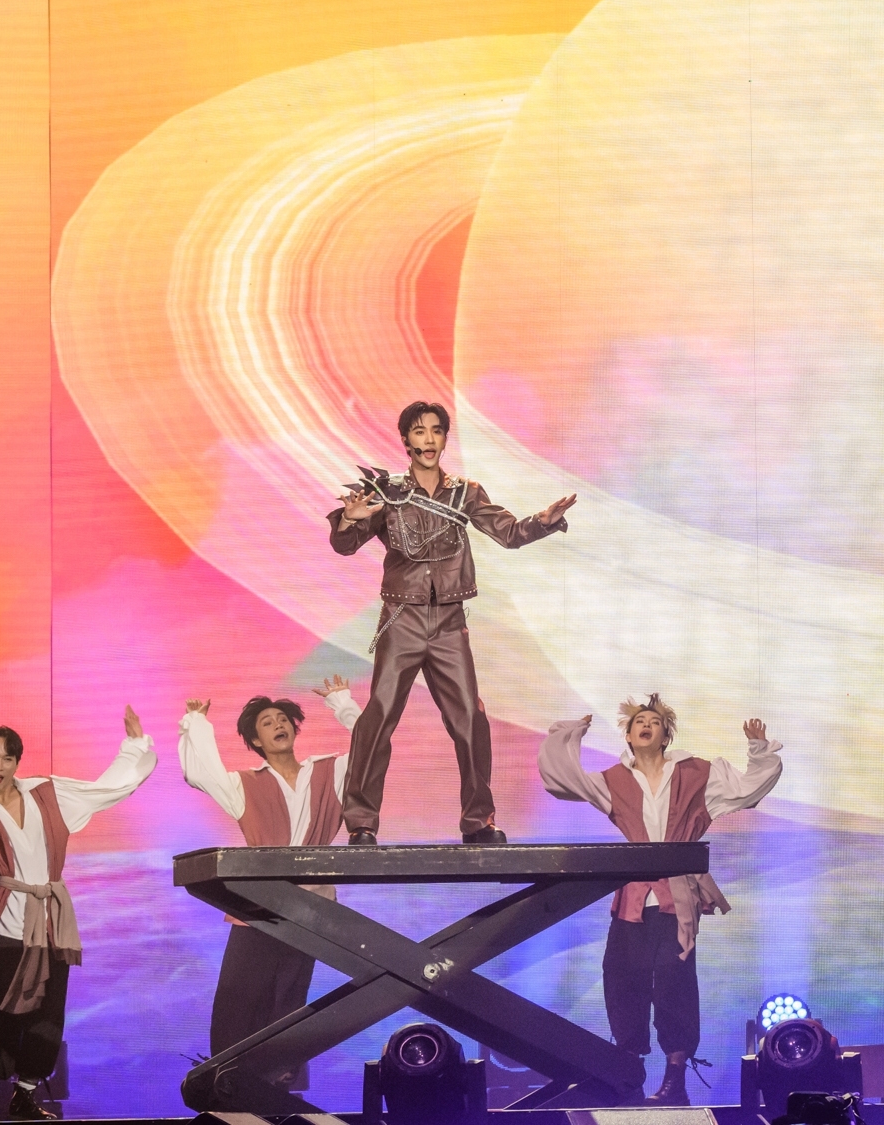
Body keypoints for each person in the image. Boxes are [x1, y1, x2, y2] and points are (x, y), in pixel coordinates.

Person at [329, 399, 577, 844]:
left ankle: (478, 822)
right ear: (405, 440)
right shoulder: (386, 492)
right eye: (419, 431)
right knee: (379, 715)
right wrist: (350, 518)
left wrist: (542, 522)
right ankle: (362, 823)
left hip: (448, 622)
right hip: (401, 618)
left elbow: (508, 533)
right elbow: (344, 546)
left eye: (436, 430)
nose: (429, 439)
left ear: (445, 438)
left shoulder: (466, 493)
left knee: (470, 718)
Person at [538, 695, 783, 1106]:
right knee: (622, 977)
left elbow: (748, 790)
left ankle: (675, 1079)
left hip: (677, 897)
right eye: (639, 722)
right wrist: (570, 733)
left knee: (674, 981)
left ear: (666, 735)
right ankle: (628, 1075)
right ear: (629, 736)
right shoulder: (614, 780)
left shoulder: (696, 774)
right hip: (633, 898)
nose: (646, 725)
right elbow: (562, 780)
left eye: (654, 721)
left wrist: (758, 748)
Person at [0, 699, 156, 1122]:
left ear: (16, 763)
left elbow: (103, 791)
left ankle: (26, 1094)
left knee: (47, 1009)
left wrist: (135, 747)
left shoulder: (46, 794)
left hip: (51, 920)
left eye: (7, 758)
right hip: (10, 919)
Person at [178, 677, 364, 1082]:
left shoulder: (328, 771)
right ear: (255, 740)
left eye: (283, 719)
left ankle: (281, 1083)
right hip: (258, 905)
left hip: (311, 908)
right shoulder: (246, 784)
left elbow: (372, 745)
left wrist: (341, 702)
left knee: (289, 998)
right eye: (267, 722)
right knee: (238, 996)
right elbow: (199, 773)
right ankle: (228, 1082)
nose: (278, 724)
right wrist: (197, 724)